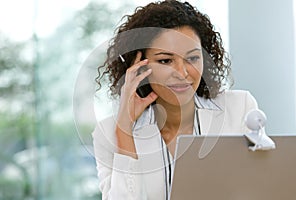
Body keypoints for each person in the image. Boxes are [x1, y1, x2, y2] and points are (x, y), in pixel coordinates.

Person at [92, 0, 261, 199]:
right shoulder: (109, 134)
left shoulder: (240, 109)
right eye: (165, 60)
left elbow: (258, 188)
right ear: (138, 67)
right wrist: (124, 130)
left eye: (192, 58)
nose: (182, 73)